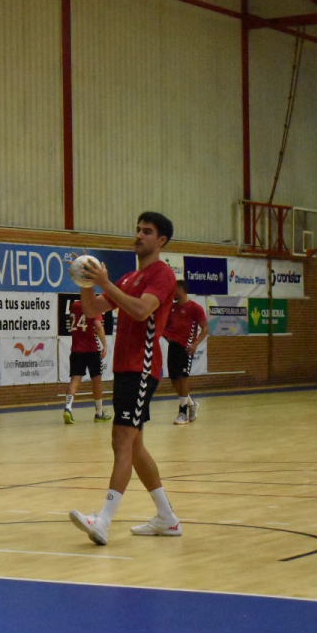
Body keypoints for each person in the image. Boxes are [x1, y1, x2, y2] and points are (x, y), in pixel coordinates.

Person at [68, 212, 182, 545]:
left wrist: (106, 284)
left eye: (147, 231)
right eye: (138, 230)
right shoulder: (130, 277)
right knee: (135, 446)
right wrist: (87, 283)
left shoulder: (162, 274)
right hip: (125, 368)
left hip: (142, 367)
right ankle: (167, 518)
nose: (139, 235)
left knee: (121, 440)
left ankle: (103, 520)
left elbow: (142, 310)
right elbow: (93, 310)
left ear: (161, 240)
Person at [164, 279, 209, 424]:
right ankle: (191, 403)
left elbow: (205, 328)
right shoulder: (172, 308)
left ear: (181, 289)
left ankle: (182, 413)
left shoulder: (195, 308)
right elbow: (164, 327)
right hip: (173, 346)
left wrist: (195, 343)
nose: (172, 292)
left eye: (174, 289)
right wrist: (167, 337)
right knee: (174, 379)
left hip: (186, 347)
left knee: (182, 377)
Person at [64, 298, 110, 424]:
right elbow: (98, 325)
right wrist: (105, 345)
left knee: (75, 380)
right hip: (92, 349)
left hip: (76, 349)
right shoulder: (94, 307)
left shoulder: (74, 305)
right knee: (96, 381)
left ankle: (68, 408)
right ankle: (99, 413)